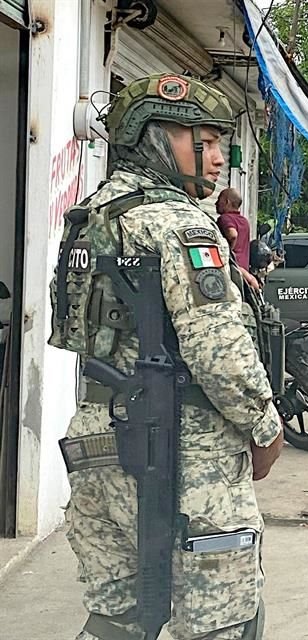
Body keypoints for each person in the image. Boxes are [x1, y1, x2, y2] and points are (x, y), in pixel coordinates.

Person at [48, 74, 283, 639]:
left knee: (116, 618)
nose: (220, 155)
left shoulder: (91, 217)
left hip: (98, 437)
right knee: (221, 622)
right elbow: (218, 350)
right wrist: (265, 425)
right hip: (181, 445)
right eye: (203, 138)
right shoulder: (178, 224)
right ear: (154, 137)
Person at [216, 188, 251, 270]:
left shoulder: (225, 218)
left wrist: (228, 253)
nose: (216, 203)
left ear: (227, 202)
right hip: (244, 269)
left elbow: (233, 235)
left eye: (219, 199)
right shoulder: (244, 221)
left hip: (232, 269)